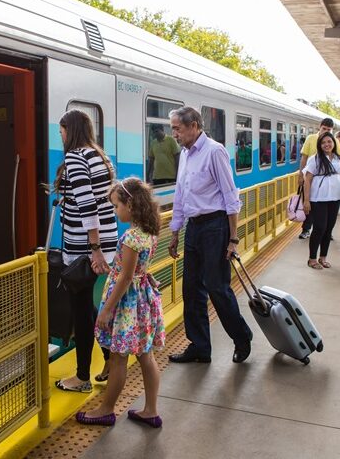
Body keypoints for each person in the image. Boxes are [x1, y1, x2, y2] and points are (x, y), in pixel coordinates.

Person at [76, 177, 165, 427]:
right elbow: (137, 270)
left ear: (131, 205)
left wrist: (105, 310)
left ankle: (106, 409)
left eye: (117, 206)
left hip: (126, 304)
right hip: (143, 301)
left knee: (117, 358)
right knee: (146, 356)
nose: (115, 212)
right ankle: (151, 410)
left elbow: (125, 278)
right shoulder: (149, 233)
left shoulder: (130, 238)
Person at [168, 107, 253, 364]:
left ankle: (242, 337)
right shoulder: (184, 154)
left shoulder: (214, 151)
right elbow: (181, 195)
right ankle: (200, 347)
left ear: (193, 125)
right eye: (173, 128)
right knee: (191, 290)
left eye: (177, 128)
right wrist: (175, 233)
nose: (174, 133)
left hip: (216, 227)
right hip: (194, 228)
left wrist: (233, 238)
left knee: (217, 288)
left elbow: (230, 196)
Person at [54, 109, 118, 392]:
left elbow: (87, 206)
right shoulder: (98, 156)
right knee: (89, 308)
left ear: (71, 130)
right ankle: (109, 360)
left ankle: (81, 377)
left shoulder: (75, 157)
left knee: (81, 312)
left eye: (62, 131)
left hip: (83, 249)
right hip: (103, 243)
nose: (61, 137)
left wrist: (94, 249)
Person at [302, 132, 340, 269]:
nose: (327, 144)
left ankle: (323, 257)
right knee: (319, 227)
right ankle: (312, 259)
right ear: (320, 145)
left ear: (333, 143)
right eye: (323, 143)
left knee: (329, 229)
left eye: (329, 141)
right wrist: (306, 201)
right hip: (318, 199)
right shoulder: (315, 159)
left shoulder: (337, 158)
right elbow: (308, 179)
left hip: (335, 198)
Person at [298, 118, 339, 239]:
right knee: (309, 204)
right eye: (324, 128)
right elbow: (304, 158)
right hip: (311, 179)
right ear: (319, 127)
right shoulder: (311, 138)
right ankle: (306, 229)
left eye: (328, 130)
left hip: (328, 183)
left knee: (326, 209)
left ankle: (326, 231)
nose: (325, 131)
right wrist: (301, 175)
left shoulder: (334, 141)